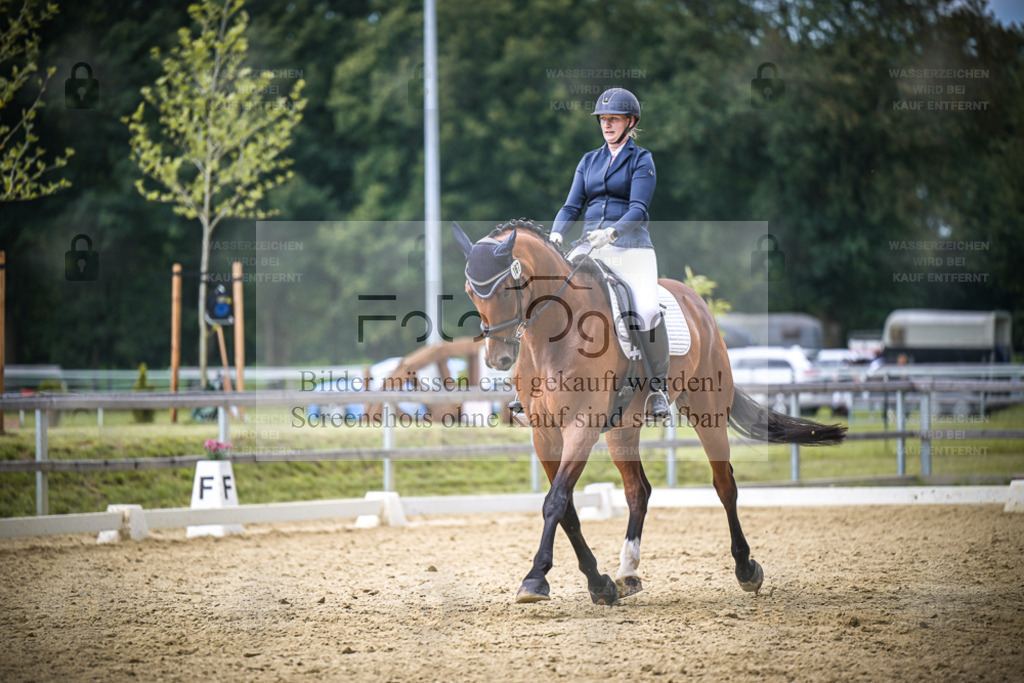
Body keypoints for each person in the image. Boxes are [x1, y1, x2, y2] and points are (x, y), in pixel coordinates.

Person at [549, 87, 671, 420]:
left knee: (645, 310)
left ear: (630, 122)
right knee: (552, 295)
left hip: (631, 248)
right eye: (603, 119)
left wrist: (612, 232)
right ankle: (532, 381)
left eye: (614, 119)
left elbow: (639, 209)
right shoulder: (589, 160)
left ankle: (658, 389)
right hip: (590, 246)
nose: (607, 125)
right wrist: (557, 234)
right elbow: (572, 205)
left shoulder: (641, 159)